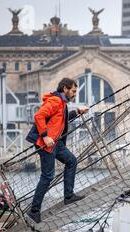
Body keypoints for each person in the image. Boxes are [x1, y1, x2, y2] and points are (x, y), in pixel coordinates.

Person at [27, 78, 89, 223]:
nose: (74, 94)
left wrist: (78, 112)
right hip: (47, 143)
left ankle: (68, 196)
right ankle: (34, 211)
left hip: (56, 143)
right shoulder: (55, 101)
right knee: (47, 176)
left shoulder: (61, 103)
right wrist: (45, 136)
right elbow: (39, 116)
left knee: (72, 161)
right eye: (73, 91)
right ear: (65, 89)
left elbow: (61, 120)